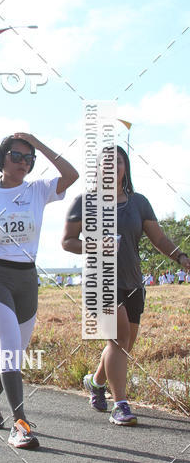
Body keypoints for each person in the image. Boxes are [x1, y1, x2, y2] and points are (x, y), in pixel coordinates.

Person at [0, 133, 78, 449]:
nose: (23, 162)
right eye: (16, 156)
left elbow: (71, 175)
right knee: (10, 347)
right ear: (2, 159)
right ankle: (20, 424)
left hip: (27, 278)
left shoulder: (37, 190)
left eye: (29, 158)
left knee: (15, 353)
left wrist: (38, 143)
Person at [62, 145, 190, 425]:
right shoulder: (84, 202)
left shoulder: (138, 203)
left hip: (132, 281)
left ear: (125, 168)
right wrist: (95, 245)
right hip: (100, 281)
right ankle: (120, 405)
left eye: (117, 162)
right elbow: (68, 241)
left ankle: (95, 382)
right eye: (106, 162)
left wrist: (181, 257)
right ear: (97, 170)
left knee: (125, 344)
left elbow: (159, 239)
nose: (112, 166)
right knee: (118, 339)